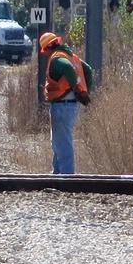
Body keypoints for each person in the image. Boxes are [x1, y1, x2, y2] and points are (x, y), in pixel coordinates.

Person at [40, 32, 92, 174]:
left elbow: (68, 68)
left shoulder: (57, 59)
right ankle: (57, 175)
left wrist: (76, 89)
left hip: (62, 105)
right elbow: (87, 70)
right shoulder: (71, 57)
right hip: (71, 105)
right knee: (58, 142)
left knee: (62, 143)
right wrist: (85, 91)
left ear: (48, 48)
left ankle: (66, 177)